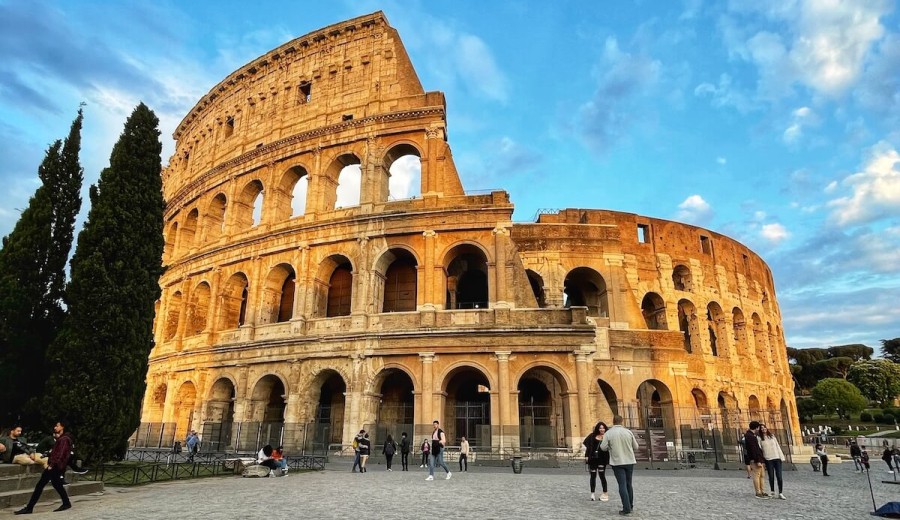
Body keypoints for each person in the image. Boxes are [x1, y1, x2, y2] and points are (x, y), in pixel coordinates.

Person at [14, 421, 73, 514]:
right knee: (57, 484)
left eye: (57, 426)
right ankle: (66, 503)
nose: (55, 427)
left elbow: (61, 454)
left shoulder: (64, 439)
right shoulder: (62, 438)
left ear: (63, 427)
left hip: (55, 466)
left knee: (40, 485)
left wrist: (52, 465)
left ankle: (29, 508)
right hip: (56, 466)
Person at [600, 415, 638, 516]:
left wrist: (610, 447)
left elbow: (603, 447)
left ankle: (626, 508)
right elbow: (636, 446)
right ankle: (630, 505)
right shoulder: (628, 432)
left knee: (622, 484)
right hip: (629, 460)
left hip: (617, 462)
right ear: (622, 421)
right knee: (629, 484)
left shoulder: (609, 433)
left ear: (613, 422)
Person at [583, 421, 610, 502]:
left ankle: (605, 493)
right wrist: (586, 456)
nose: (602, 429)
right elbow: (588, 446)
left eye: (603, 428)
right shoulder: (592, 436)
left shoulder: (607, 436)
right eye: (600, 428)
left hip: (602, 458)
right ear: (598, 429)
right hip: (593, 458)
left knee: (602, 476)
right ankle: (592, 494)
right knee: (593, 476)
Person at [758, 424, 786, 500]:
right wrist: (762, 460)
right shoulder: (760, 438)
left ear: (766, 428)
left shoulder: (772, 436)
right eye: (761, 428)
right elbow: (760, 450)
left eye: (764, 427)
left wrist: (781, 457)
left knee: (779, 476)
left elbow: (777, 446)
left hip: (777, 458)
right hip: (768, 459)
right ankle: (772, 491)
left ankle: (780, 492)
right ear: (760, 430)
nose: (763, 429)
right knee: (771, 476)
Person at [744, 421, 768, 498]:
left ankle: (762, 490)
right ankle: (758, 492)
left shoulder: (752, 435)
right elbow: (753, 449)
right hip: (755, 459)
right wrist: (757, 460)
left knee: (762, 475)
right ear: (756, 427)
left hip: (758, 458)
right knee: (757, 475)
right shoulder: (750, 436)